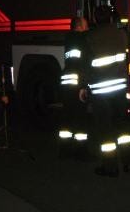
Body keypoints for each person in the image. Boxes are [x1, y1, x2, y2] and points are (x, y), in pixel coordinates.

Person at [82, 5, 130, 177]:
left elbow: (85, 66)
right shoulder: (121, 35)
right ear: (111, 18)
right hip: (120, 90)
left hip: (101, 93)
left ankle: (110, 167)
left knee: (105, 131)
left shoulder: (89, 38)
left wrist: (84, 87)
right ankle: (128, 163)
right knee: (123, 128)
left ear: (95, 19)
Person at [58, 16, 91, 160]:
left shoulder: (69, 39)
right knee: (80, 119)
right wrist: (83, 87)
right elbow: (83, 65)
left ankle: (64, 150)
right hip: (77, 84)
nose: (88, 27)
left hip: (66, 83)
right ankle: (81, 152)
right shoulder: (82, 39)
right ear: (79, 26)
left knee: (67, 117)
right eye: (86, 24)